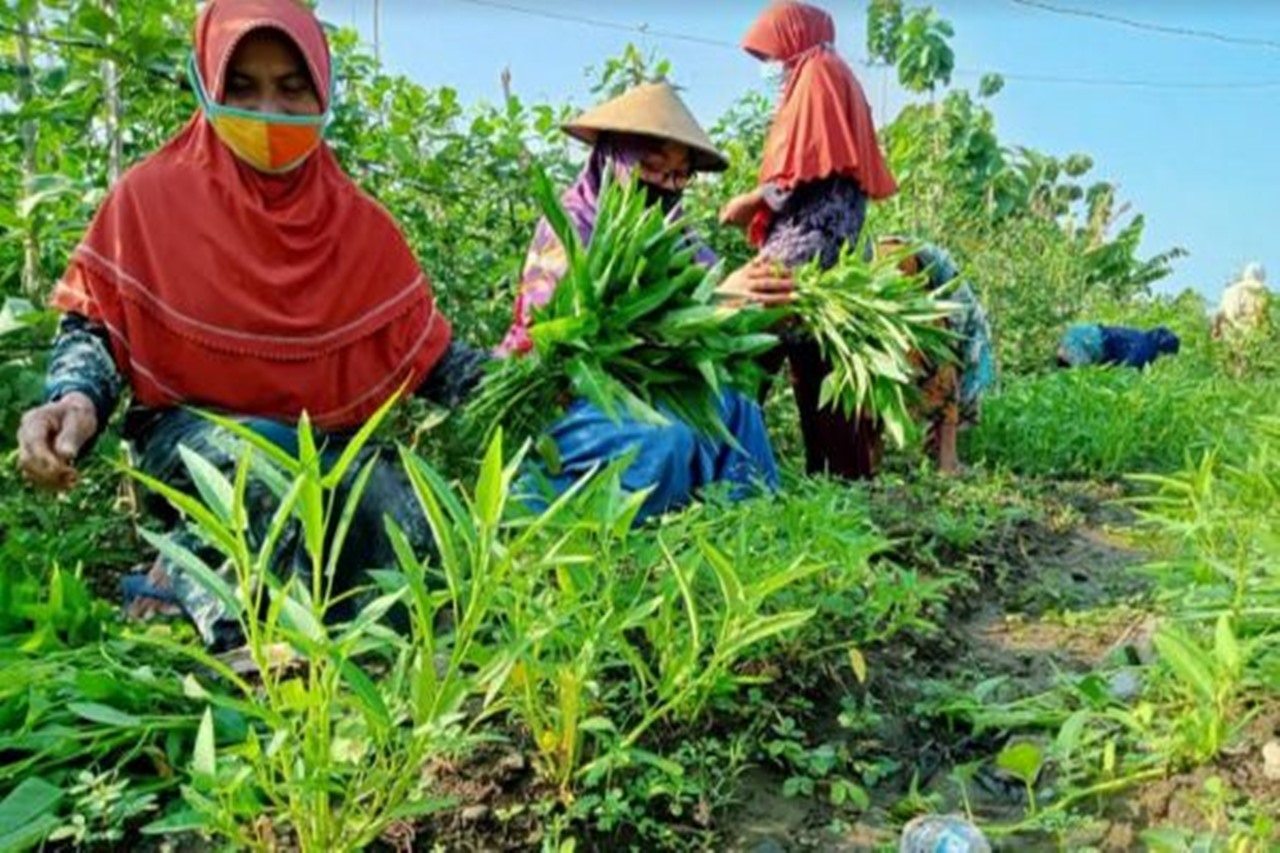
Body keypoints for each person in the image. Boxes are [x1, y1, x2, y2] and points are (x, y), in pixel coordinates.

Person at [16, 0, 484, 649]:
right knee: (259, 470)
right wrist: (72, 402)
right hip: (193, 436)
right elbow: (95, 329)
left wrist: (540, 381)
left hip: (326, 445)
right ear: (206, 83)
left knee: (398, 511)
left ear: (324, 90)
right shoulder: (152, 200)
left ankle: (200, 574)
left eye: (292, 90)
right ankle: (249, 643)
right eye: (242, 87)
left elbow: (431, 361)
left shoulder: (361, 230)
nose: (268, 113)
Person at [498, 82, 782, 522]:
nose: (666, 186)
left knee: (737, 407)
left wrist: (745, 304)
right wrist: (716, 301)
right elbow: (575, 344)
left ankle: (752, 526)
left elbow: (706, 292)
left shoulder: (673, 231)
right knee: (668, 437)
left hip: (646, 388)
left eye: (679, 176)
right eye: (651, 168)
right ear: (616, 161)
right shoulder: (570, 227)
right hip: (573, 396)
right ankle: (610, 534)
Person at [719, 1, 899, 481]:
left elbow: (808, 159)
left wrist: (753, 201)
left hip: (804, 252)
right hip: (833, 256)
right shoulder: (835, 76)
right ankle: (841, 483)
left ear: (794, 37)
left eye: (775, 55)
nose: (774, 68)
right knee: (820, 372)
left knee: (744, 356)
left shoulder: (818, 71)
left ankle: (723, 474)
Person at [877, 238, 996, 474]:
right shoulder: (976, 340)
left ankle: (870, 457)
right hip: (902, 266)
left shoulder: (971, 315)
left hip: (879, 258)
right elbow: (955, 342)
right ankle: (948, 464)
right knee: (943, 378)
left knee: (880, 365)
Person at [1056, 323, 1181, 369]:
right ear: (1163, 351)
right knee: (1080, 382)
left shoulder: (1141, 338)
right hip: (1085, 342)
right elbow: (1124, 373)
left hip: (1079, 333)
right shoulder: (1143, 351)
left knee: (1062, 378)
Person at [1212, 262, 1270, 340]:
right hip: (1252, 340)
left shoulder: (1228, 292)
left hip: (1229, 340)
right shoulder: (1262, 292)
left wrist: (1216, 332)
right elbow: (1264, 317)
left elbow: (1217, 316)